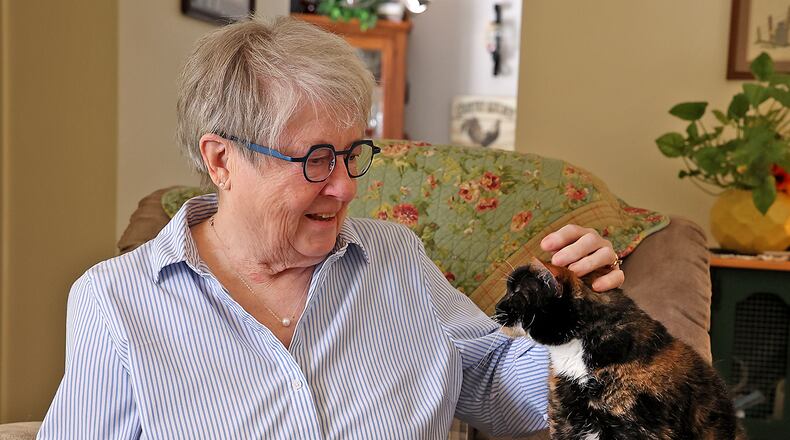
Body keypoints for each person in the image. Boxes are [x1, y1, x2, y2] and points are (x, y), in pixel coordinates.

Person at [38, 17, 623, 439]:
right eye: (316, 159)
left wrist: (580, 321)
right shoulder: (115, 300)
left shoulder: (395, 258)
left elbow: (500, 385)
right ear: (221, 161)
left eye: (352, 154)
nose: (345, 186)